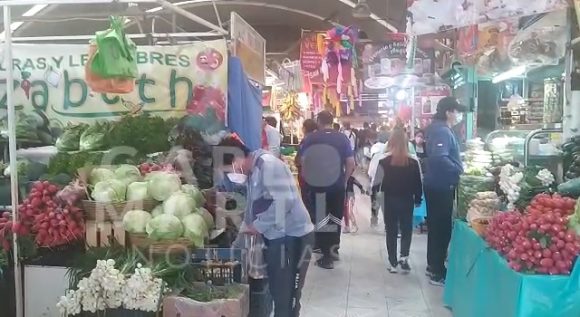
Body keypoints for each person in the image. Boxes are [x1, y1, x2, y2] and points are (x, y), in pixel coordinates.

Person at [218, 137, 314, 317]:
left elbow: (284, 201)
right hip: (278, 237)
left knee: (286, 296)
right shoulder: (252, 172)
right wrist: (235, 248)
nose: (230, 174)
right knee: (278, 291)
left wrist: (259, 226)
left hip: (293, 237)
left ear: (236, 160)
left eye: (228, 169)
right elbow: (250, 212)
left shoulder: (268, 165)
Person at [299, 110, 356, 269]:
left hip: (318, 185)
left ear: (319, 121)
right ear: (332, 121)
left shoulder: (311, 138)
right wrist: (344, 181)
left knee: (322, 219)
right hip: (337, 185)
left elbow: (304, 162)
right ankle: (334, 249)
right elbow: (350, 162)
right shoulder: (342, 138)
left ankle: (326, 257)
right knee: (335, 218)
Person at [424, 97, 465, 286]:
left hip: (435, 184)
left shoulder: (437, 128)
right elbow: (440, 158)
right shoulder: (441, 130)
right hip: (441, 186)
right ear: (449, 112)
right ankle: (437, 272)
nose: (458, 115)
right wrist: (458, 168)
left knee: (435, 227)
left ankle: (432, 265)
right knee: (441, 228)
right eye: (457, 111)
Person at [373, 128, 423, 274]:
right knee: (407, 229)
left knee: (392, 231)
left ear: (391, 142)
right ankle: (404, 257)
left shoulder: (383, 161)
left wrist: (375, 201)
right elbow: (418, 183)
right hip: (407, 200)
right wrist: (418, 199)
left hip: (389, 200)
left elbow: (376, 184)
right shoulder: (414, 161)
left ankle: (393, 263)